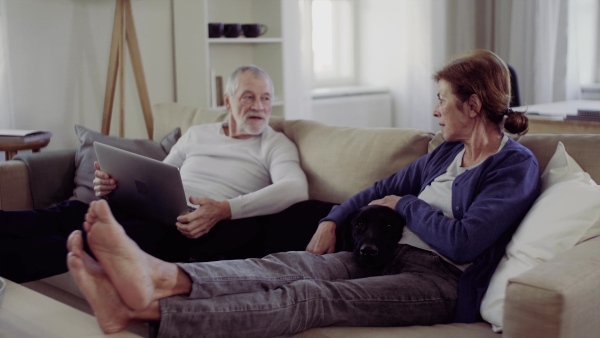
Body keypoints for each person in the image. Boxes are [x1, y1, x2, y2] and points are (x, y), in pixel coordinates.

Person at [66, 49, 541, 337]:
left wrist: (406, 205)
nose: (435, 110)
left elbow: (463, 242)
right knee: (287, 264)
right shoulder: (445, 153)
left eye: (442, 98)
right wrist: (332, 220)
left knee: (309, 297)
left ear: (473, 104)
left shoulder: (513, 166)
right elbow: (379, 188)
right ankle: (159, 278)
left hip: (440, 283)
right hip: (387, 256)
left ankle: (143, 310)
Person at [0, 65, 313, 283]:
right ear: (228, 101)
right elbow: (162, 173)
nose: (259, 106)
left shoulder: (274, 144)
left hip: (192, 227)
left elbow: (295, 188)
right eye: (248, 96)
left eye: (266, 98)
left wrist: (225, 210)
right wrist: (114, 185)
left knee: (91, 238)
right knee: (67, 213)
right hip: (156, 207)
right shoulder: (198, 133)